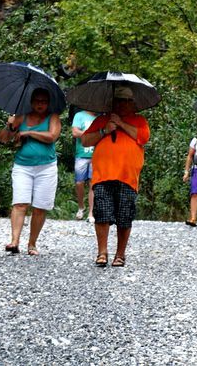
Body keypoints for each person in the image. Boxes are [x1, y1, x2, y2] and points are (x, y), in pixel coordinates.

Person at [81, 86, 150, 267]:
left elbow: (143, 138)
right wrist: (104, 130)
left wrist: (121, 124)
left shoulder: (139, 120)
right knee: (102, 213)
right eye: (118, 100)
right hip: (103, 174)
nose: (122, 104)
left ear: (132, 104)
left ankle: (120, 254)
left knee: (125, 216)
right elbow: (85, 140)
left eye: (126, 101)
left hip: (128, 176)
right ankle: (102, 252)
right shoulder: (102, 120)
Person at [0, 88, 62, 256]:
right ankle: (14, 241)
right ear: (31, 102)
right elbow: (3, 138)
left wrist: (29, 132)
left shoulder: (53, 117)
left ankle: (32, 243)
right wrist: (10, 125)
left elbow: (52, 136)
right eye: (37, 101)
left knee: (40, 207)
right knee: (20, 203)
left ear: (48, 103)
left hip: (46, 167)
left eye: (44, 101)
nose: (40, 104)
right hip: (22, 166)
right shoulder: (21, 116)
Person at [71, 109, 97, 221]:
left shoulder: (100, 118)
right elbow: (75, 132)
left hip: (96, 154)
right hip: (81, 154)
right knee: (79, 182)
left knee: (93, 184)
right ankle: (81, 207)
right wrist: (91, 134)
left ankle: (91, 213)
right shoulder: (79, 115)